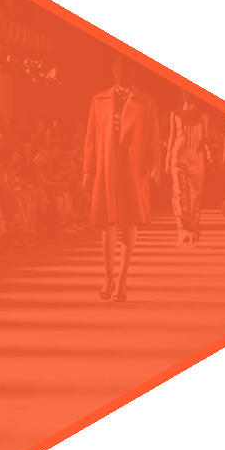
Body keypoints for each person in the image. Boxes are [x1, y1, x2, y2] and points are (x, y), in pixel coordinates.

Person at [82, 55, 161, 301]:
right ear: (112, 71)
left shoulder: (145, 102)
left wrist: (155, 164)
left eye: (126, 70)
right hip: (107, 166)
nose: (121, 74)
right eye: (117, 69)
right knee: (108, 221)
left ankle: (122, 279)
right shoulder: (99, 101)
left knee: (130, 221)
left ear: (132, 73)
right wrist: (87, 170)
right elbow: (91, 138)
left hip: (133, 167)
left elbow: (153, 136)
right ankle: (108, 277)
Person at [165, 88, 216, 245]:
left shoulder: (203, 115)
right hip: (179, 157)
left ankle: (193, 229)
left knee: (195, 197)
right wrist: (167, 160)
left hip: (197, 157)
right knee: (180, 195)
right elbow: (172, 136)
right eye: (185, 92)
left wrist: (210, 156)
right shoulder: (175, 114)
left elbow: (206, 137)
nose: (187, 95)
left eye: (190, 92)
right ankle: (183, 229)